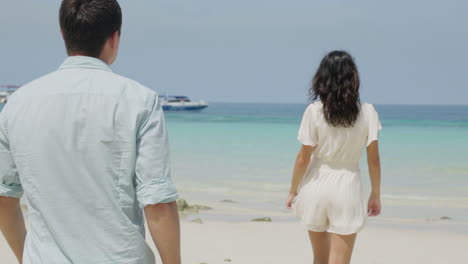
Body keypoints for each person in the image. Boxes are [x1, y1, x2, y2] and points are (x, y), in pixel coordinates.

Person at [0, 0, 181, 263]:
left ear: (63, 33)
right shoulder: (140, 101)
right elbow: (158, 204)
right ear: (115, 37)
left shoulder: (17, 103)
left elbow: (5, 199)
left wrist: (26, 256)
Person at [286, 51, 382, 264]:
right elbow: (373, 160)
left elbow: (303, 158)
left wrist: (293, 191)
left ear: (322, 78)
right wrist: (375, 194)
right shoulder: (367, 112)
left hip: (316, 184)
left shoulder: (314, 111)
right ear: (353, 79)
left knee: (319, 259)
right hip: (347, 186)